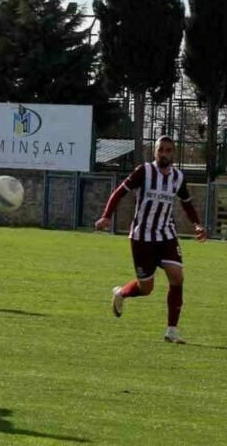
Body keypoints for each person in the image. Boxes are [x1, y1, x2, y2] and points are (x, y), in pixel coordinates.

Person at [94, 136, 206, 344]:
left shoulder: (178, 177)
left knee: (177, 277)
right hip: (142, 238)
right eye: (161, 150)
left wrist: (197, 224)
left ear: (174, 154)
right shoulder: (143, 172)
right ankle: (121, 293)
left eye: (169, 150)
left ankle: (172, 330)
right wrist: (107, 216)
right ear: (155, 152)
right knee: (146, 289)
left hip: (166, 235)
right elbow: (119, 193)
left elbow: (187, 203)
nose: (164, 154)